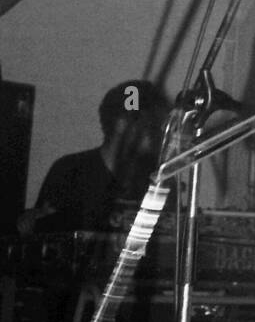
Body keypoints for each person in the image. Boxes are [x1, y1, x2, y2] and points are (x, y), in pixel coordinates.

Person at [19, 80, 167, 234]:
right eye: (150, 124)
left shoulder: (157, 178)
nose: (157, 132)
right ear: (121, 124)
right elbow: (41, 234)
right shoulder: (70, 171)